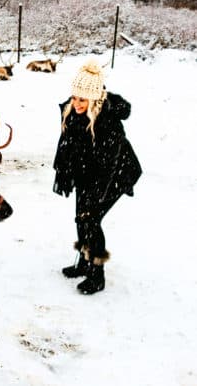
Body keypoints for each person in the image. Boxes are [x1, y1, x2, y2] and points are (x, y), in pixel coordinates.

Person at [53, 59, 142, 294]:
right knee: (80, 217)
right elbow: (68, 146)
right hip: (87, 170)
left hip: (116, 175)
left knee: (91, 219)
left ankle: (97, 275)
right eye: (74, 97)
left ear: (94, 98)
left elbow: (108, 165)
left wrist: (95, 195)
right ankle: (84, 262)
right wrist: (65, 173)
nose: (77, 103)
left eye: (82, 99)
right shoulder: (71, 112)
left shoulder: (108, 122)